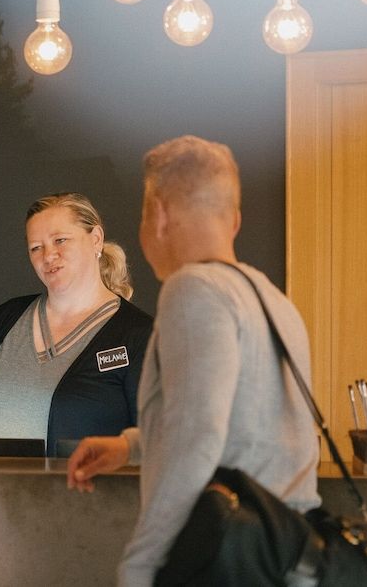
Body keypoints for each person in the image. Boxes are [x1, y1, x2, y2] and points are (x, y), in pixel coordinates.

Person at [66, 136, 321, 586]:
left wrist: (141, 564)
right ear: (235, 220)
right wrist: (131, 446)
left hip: (226, 560)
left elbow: (198, 436)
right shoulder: (275, 302)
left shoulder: (193, 289)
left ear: (159, 215)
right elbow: (249, 429)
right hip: (284, 558)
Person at [0, 192, 153, 457]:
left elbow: (153, 445)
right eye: (36, 247)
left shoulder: (139, 335)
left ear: (96, 239)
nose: (49, 255)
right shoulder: (6, 318)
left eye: (60, 240)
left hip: (81, 486)